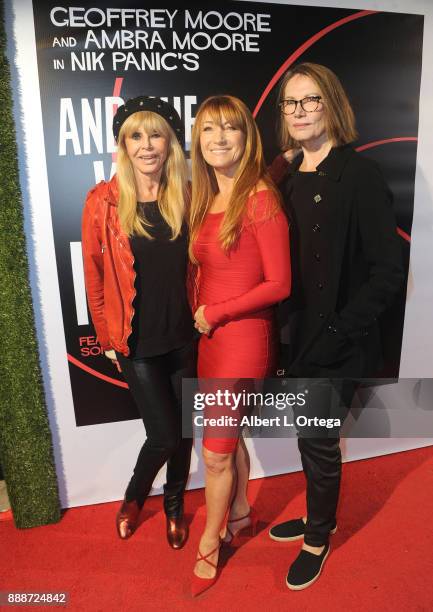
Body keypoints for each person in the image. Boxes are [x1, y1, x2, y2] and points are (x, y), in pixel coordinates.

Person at [268, 63, 404, 590]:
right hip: (290, 335)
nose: (300, 111)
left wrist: (343, 330)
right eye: (291, 103)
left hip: (336, 341)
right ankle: (316, 517)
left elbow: (389, 270)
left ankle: (317, 536)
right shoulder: (282, 175)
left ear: (333, 105)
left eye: (311, 100)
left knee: (320, 442)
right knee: (310, 439)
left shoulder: (360, 176)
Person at [81, 96, 195, 549]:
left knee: (183, 432)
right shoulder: (103, 202)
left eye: (156, 135)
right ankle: (133, 497)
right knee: (164, 434)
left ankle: (174, 506)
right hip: (137, 342)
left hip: (185, 336)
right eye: (135, 136)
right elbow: (93, 274)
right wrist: (106, 337)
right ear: (123, 145)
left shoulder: (186, 195)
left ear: (169, 144)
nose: (147, 146)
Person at [189, 95, 291, 596]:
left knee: (214, 455)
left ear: (246, 137)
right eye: (209, 130)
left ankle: (211, 537)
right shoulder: (205, 197)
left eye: (230, 128)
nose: (219, 139)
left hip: (242, 339)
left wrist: (217, 313)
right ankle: (244, 511)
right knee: (225, 442)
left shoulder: (260, 197)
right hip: (209, 341)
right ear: (198, 141)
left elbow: (280, 284)